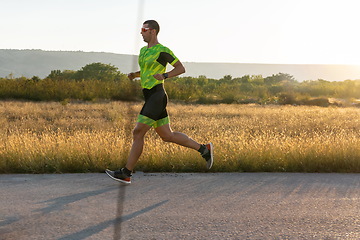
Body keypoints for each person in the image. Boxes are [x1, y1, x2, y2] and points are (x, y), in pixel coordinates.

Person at [106, 20, 213, 184]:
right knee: (167, 135)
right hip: (149, 96)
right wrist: (136, 75)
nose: (141, 32)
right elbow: (147, 70)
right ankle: (204, 149)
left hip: (157, 95)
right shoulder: (143, 51)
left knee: (138, 132)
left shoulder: (162, 51)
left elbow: (180, 68)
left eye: (144, 29)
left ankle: (126, 172)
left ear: (153, 31)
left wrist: (164, 76)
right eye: (140, 29)